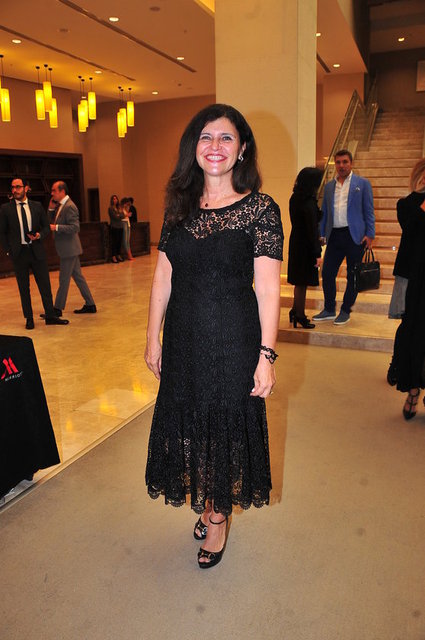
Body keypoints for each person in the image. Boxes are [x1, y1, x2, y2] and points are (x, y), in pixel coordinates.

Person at [144, 103, 283, 569]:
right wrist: (152, 337)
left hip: (232, 341)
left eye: (226, 137)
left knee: (223, 426)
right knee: (192, 423)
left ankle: (218, 516)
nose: (215, 146)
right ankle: (207, 500)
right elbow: (163, 278)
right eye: (206, 137)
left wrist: (266, 355)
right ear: (194, 148)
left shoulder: (260, 210)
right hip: (184, 340)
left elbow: (268, 288)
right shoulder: (178, 209)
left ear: (242, 149)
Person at [313, 149, 375, 325]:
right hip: (334, 235)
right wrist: (322, 233)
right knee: (327, 272)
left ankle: (346, 310)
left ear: (351, 163)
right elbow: (325, 212)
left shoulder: (362, 184)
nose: (341, 166)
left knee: (352, 275)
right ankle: (329, 309)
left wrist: (370, 234)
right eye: (338, 162)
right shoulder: (329, 187)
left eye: (345, 162)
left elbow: (369, 211)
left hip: (355, 236)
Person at [0, 177, 69, 329]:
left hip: (36, 251)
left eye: (18, 187)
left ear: (26, 188)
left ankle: (50, 316)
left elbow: (46, 227)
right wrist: (8, 251)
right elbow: (2, 232)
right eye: (13, 187)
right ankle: (29, 318)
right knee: (24, 288)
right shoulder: (6, 209)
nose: (15, 190)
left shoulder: (37, 206)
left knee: (45, 285)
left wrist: (39, 235)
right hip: (19, 253)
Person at [387, 159, 425, 419]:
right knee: (413, 333)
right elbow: (412, 227)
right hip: (413, 279)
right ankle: (413, 391)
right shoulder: (406, 205)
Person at [44, 181, 96, 316]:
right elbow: (50, 221)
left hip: (69, 250)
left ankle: (57, 309)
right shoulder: (60, 206)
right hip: (68, 249)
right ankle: (90, 304)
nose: (52, 193)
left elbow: (75, 227)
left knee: (64, 279)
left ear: (62, 191)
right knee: (78, 277)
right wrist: (50, 209)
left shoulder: (70, 206)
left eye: (54, 190)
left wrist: (56, 227)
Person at [287, 167, 323, 329]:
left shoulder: (295, 197)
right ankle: (299, 315)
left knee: (299, 281)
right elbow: (312, 229)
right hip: (306, 245)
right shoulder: (308, 202)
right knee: (302, 282)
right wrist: (317, 252)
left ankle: (295, 310)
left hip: (296, 241)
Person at [108, 194, 124, 263]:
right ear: (112, 200)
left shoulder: (119, 208)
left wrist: (119, 215)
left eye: (116, 199)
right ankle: (113, 256)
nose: (115, 200)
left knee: (119, 242)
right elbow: (115, 217)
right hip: (114, 227)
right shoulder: (110, 208)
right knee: (114, 242)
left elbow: (123, 215)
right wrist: (119, 215)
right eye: (114, 199)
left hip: (120, 226)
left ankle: (118, 255)